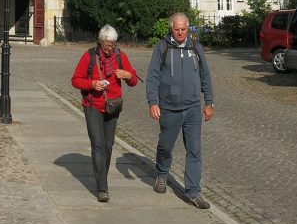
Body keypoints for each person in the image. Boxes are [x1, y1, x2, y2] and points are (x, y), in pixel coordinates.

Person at [146, 12, 214, 210]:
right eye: (177, 29)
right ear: (171, 28)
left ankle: (193, 191)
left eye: (183, 29)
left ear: (188, 28)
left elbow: (205, 76)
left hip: (193, 108)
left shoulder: (196, 48)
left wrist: (209, 103)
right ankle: (161, 173)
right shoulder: (163, 47)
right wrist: (153, 102)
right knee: (165, 146)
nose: (180, 33)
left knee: (194, 150)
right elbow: (153, 76)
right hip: (169, 107)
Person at [71, 24, 139, 202]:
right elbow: (76, 80)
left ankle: (102, 177)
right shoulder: (89, 56)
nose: (110, 47)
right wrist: (92, 84)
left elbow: (133, 81)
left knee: (108, 146)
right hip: (93, 106)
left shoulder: (120, 56)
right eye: (107, 44)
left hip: (112, 106)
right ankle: (102, 187)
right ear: (100, 42)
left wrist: (127, 75)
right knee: (98, 145)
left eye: (113, 44)